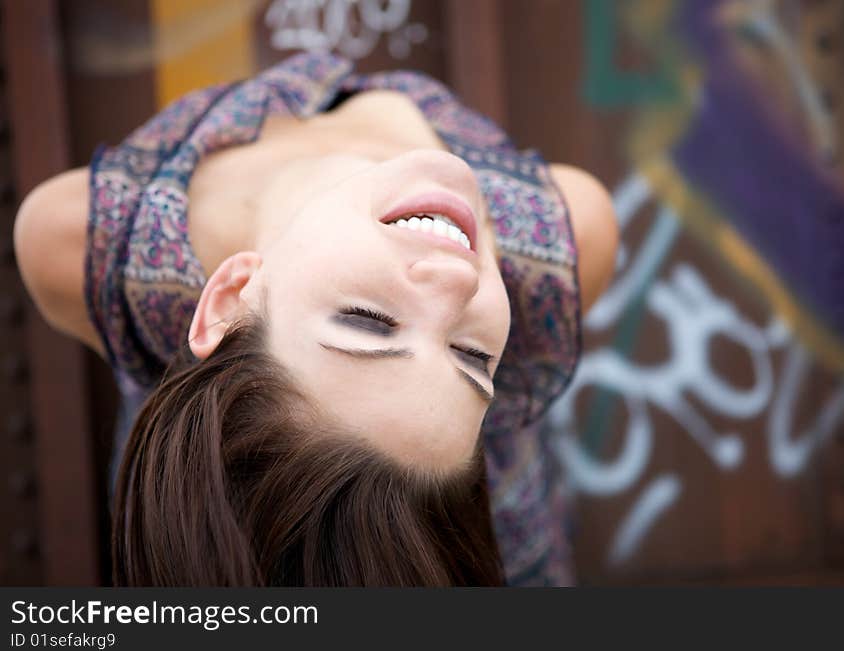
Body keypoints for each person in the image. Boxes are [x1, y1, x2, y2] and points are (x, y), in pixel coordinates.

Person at [14, 53, 617, 586]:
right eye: (473, 359)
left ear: (230, 297)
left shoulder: (78, 243)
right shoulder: (563, 243)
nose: (461, 283)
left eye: (368, 322)